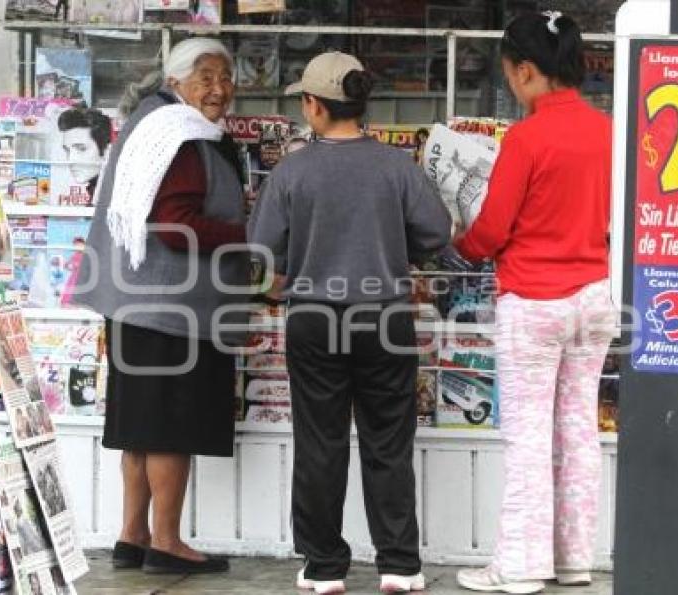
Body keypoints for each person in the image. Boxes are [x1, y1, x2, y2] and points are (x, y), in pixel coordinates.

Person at [248, 52, 451, 594]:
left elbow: (259, 255)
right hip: (384, 316)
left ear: (315, 106)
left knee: (320, 440)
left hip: (314, 316)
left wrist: (279, 287)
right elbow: (436, 232)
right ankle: (399, 565)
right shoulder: (395, 167)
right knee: (388, 439)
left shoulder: (292, 172)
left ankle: (324, 568)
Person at [453, 11, 616, 594]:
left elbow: (493, 230)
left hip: (534, 300)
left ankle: (519, 567)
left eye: (509, 77)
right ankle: (574, 560)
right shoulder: (607, 131)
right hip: (595, 297)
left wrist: (460, 240)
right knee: (578, 431)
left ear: (525, 71)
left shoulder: (525, 137)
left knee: (527, 436)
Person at [73, 37, 249, 575]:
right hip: (171, 309)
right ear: (176, 82)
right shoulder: (180, 136)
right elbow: (175, 225)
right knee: (171, 427)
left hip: (135, 304)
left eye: (224, 77)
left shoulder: (152, 122)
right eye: (205, 78)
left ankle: (133, 536)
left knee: (140, 426)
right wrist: (245, 235)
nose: (218, 89)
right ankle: (167, 543)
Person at [56, 107, 112, 198]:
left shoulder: (112, 195)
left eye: (81, 149)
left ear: (106, 151)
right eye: (67, 150)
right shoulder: (97, 189)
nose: (71, 160)